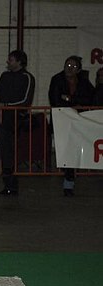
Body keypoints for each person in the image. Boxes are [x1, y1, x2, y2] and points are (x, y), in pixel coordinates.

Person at [48, 55, 95, 196]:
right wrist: (75, 102)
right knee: (66, 149)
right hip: (62, 120)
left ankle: (69, 177)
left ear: (79, 70)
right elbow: (56, 100)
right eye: (67, 65)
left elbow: (89, 98)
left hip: (78, 121)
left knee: (73, 149)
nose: (69, 68)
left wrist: (69, 98)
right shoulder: (57, 79)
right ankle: (68, 181)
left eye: (73, 66)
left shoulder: (84, 82)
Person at [0, 50, 35, 196]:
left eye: (10, 60)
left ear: (19, 61)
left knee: (14, 152)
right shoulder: (5, 76)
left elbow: (25, 101)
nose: (7, 62)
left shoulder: (27, 77)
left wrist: (5, 105)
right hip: (2, 119)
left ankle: (13, 185)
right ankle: (8, 184)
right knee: (5, 152)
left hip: (17, 121)